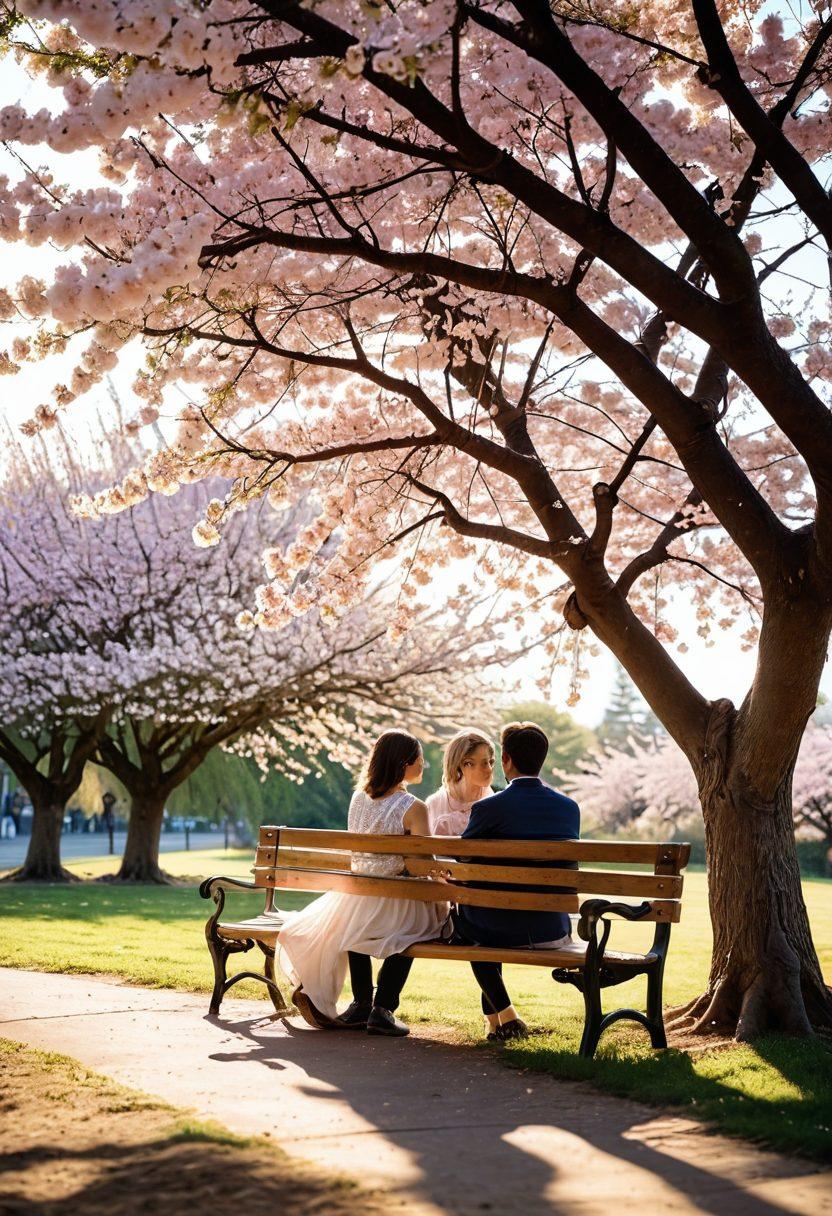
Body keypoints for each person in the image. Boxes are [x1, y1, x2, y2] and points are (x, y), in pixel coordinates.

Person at [278, 730, 448, 1038]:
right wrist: (446, 876)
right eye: (419, 760)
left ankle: (360, 1003)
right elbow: (420, 865)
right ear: (403, 764)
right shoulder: (414, 807)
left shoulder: (359, 798)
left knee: (354, 923)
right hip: (396, 897)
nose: (424, 765)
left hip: (357, 895)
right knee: (415, 929)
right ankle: (383, 1008)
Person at [452, 721, 580, 1042]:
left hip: (496, 929)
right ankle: (497, 1023)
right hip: (551, 929)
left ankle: (505, 1016)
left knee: (469, 924)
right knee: (482, 918)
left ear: (506, 759)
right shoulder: (569, 808)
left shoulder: (487, 808)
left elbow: (463, 864)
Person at [425, 728, 495, 836]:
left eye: (491, 762)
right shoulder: (434, 804)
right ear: (463, 765)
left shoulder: (495, 803)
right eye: (484, 763)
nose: (490, 769)